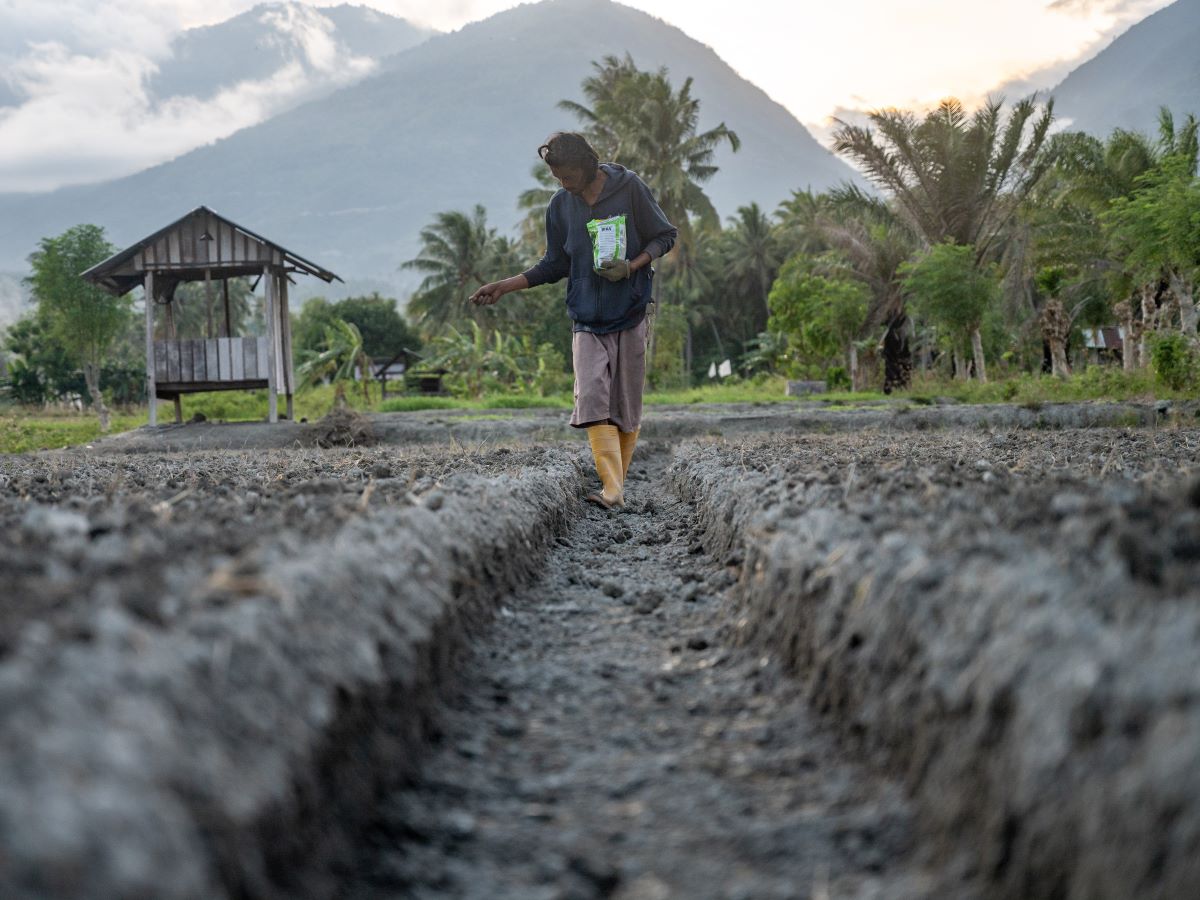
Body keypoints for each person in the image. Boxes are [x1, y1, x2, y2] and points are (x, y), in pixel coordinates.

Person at [470, 132, 678, 509]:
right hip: (585, 315)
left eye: (568, 176)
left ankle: (616, 486)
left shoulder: (629, 188)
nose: (563, 184)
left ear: (588, 166)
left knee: (626, 406)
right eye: (557, 179)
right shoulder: (560, 206)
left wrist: (631, 266)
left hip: (630, 310)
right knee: (593, 397)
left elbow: (664, 236)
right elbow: (554, 264)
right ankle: (612, 490)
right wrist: (506, 285)